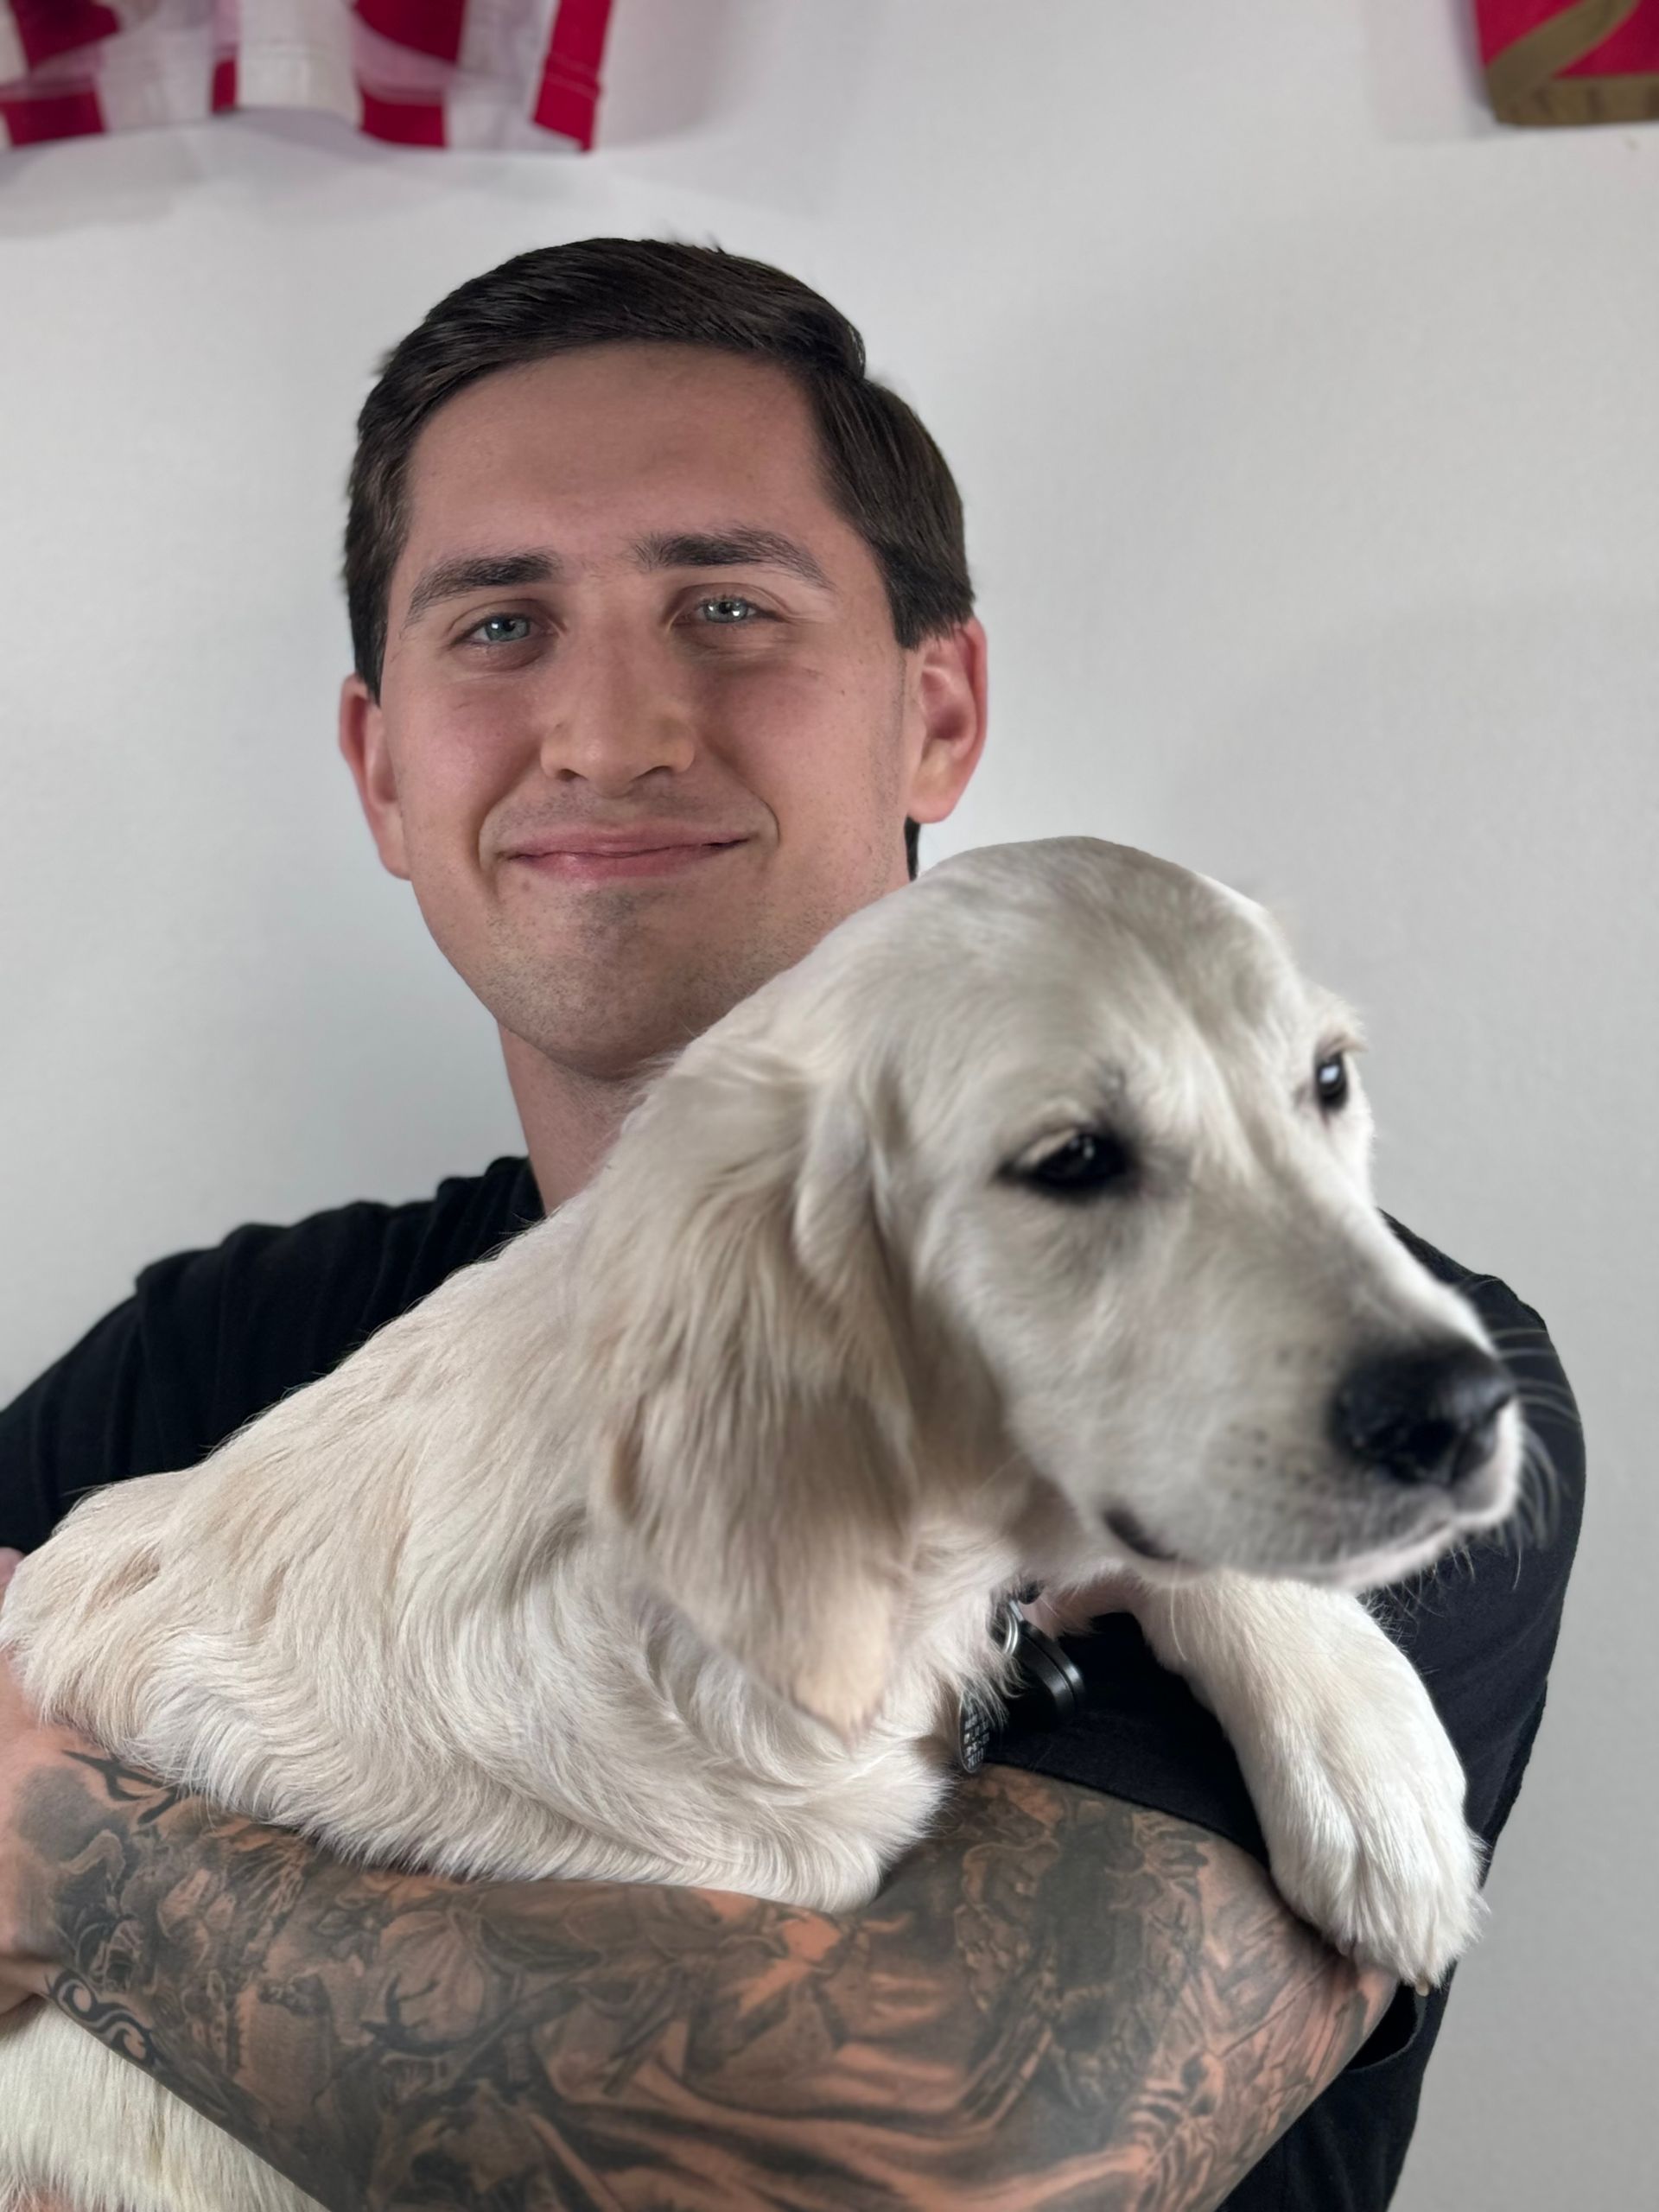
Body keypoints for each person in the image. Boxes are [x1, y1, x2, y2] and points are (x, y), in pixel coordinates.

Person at [0, 239, 1583, 2210]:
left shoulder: (1374, 1381)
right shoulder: (219, 1351)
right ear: (382, 768)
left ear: (939, 709)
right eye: (499, 627)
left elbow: (943, 2170)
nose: (614, 728)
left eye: (727, 605)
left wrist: (56, 1843)